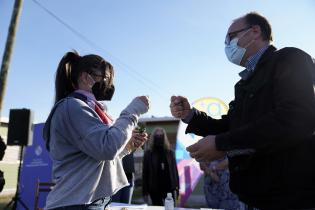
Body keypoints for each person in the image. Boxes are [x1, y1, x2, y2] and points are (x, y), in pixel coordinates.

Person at [170, 12, 315, 210]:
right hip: (254, 197)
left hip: (289, 197)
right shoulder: (244, 83)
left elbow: (296, 118)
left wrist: (221, 144)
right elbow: (230, 126)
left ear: (254, 31)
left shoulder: (289, 58)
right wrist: (190, 115)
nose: (227, 45)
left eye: (230, 37)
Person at [43, 51, 150, 210]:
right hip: (75, 203)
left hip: (87, 201)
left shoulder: (89, 108)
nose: (109, 85)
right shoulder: (72, 107)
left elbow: (97, 160)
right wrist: (133, 111)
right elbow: (107, 148)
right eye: (106, 78)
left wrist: (127, 145)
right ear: (86, 77)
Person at [142, 127, 179, 206]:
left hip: (169, 187)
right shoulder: (148, 153)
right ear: (153, 137)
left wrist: (177, 186)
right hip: (154, 188)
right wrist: (145, 191)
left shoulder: (170, 152)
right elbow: (145, 172)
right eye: (157, 135)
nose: (159, 137)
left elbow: (174, 170)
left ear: (164, 137)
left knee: (170, 208)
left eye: (161, 135)